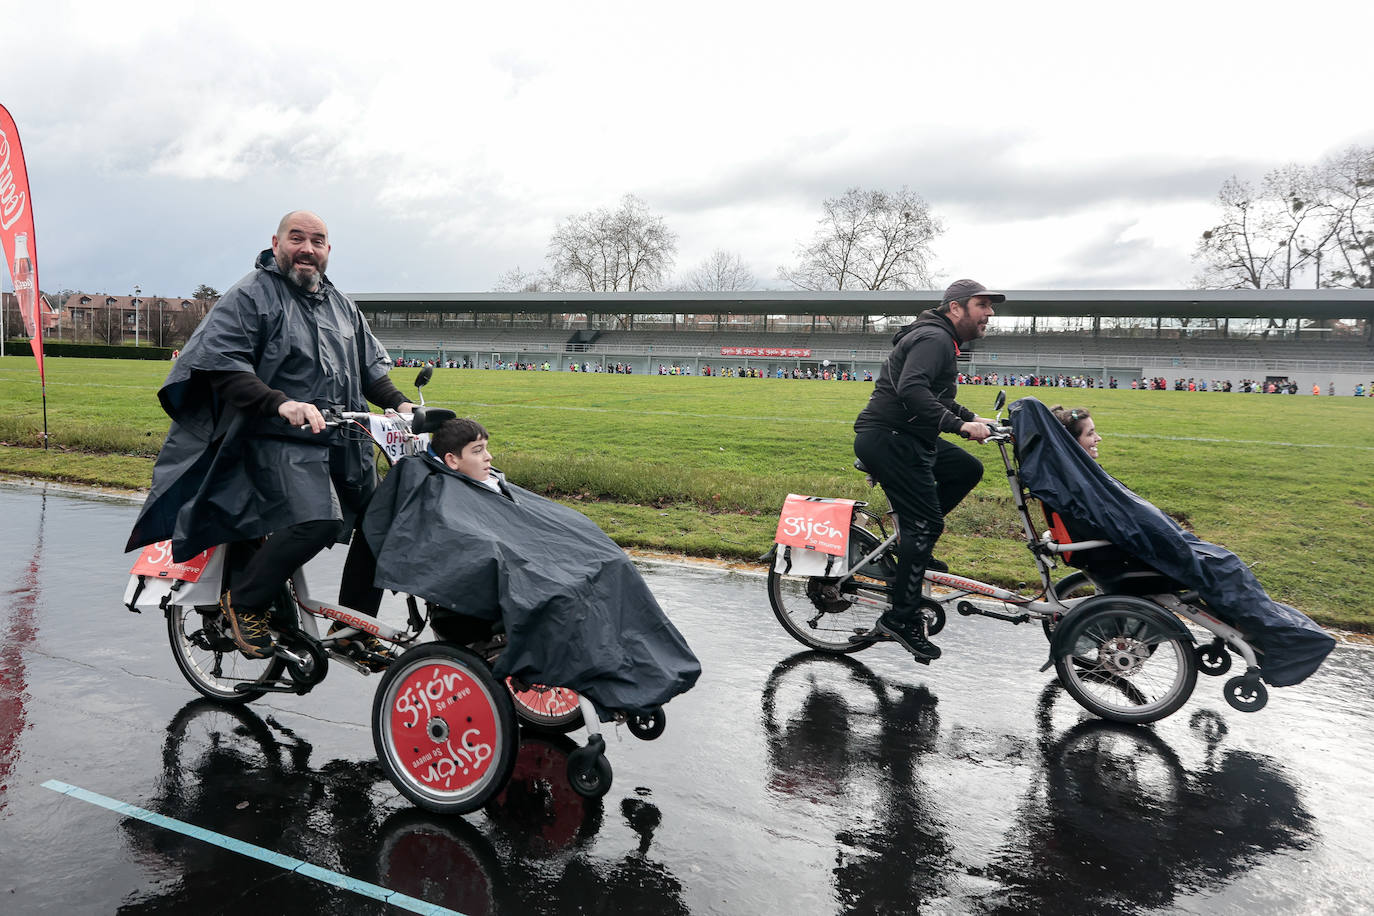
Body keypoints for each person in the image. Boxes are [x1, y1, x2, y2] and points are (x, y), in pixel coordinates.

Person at [126, 211, 417, 662]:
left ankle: (353, 628)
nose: (307, 248)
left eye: (317, 241)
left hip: (341, 439)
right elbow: (223, 364)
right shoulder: (251, 295)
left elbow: (370, 373)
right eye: (296, 238)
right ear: (276, 243)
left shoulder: (342, 305)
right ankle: (244, 601)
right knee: (317, 521)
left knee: (381, 521)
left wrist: (401, 405)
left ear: (328, 250)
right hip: (272, 441)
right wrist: (280, 403)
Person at [852, 278, 1002, 661]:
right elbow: (912, 391)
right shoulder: (935, 339)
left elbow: (936, 397)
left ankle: (910, 543)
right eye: (982, 305)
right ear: (956, 308)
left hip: (907, 437)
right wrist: (960, 426)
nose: (990, 313)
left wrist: (972, 417)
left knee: (965, 469)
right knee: (927, 524)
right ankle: (900, 619)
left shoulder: (941, 340)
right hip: (891, 438)